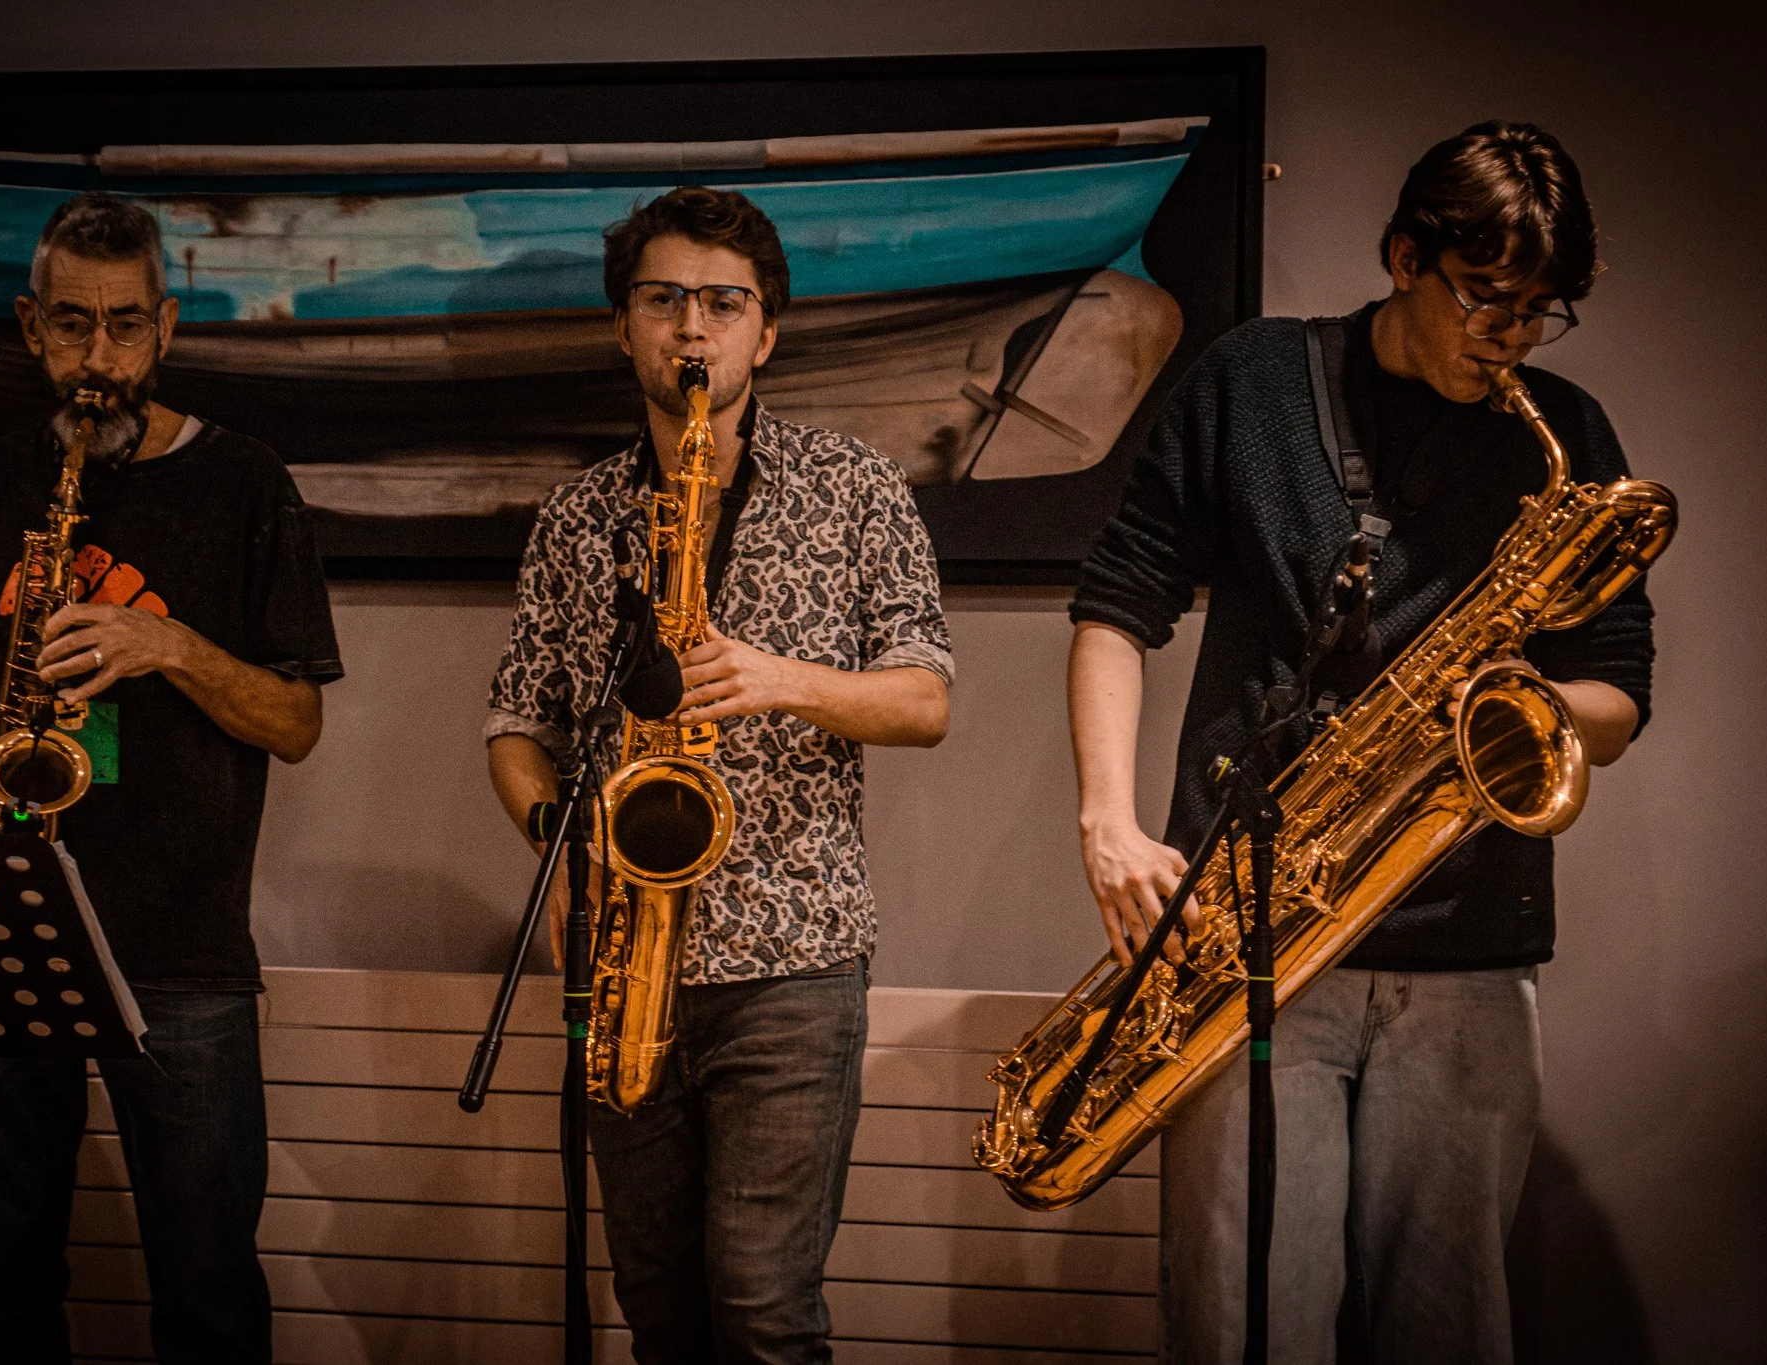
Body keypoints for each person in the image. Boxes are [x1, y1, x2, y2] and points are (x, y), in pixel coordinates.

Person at [1066, 122, 1655, 1363]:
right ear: (1402, 255)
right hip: (1248, 937)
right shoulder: (1252, 379)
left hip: (1469, 949)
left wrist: (1515, 709)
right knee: (1242, 1323)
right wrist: (1106, 823)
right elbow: (1117, 605)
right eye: (1483, 300)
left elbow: (1613, 691)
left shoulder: (1565, 438)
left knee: (1446, 1331)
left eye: (1537, 314)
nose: (1505, 342)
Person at [486, 185, 953, 1363]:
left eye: (721, 303)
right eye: (662, 301)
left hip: (790, 965)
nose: (690, 330)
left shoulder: (854, 490)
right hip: (618, 957)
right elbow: (512, 725)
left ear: (765, 331)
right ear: (622, 325)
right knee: (660, 1320)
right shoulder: (575, 515)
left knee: (762, 1317)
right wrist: (564, 837)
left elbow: (924, 700)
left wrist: (776, 677)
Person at [0, 192, 342, 1364]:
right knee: (2, 1278)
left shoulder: (247, 484)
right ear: (29, 324)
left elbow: (295, 723)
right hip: (9, 926)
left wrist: (171, 646)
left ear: (169, 324)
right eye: (75, 326)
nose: (102, 359)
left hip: (182, 947)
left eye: (129, 326)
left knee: (205, 1290)